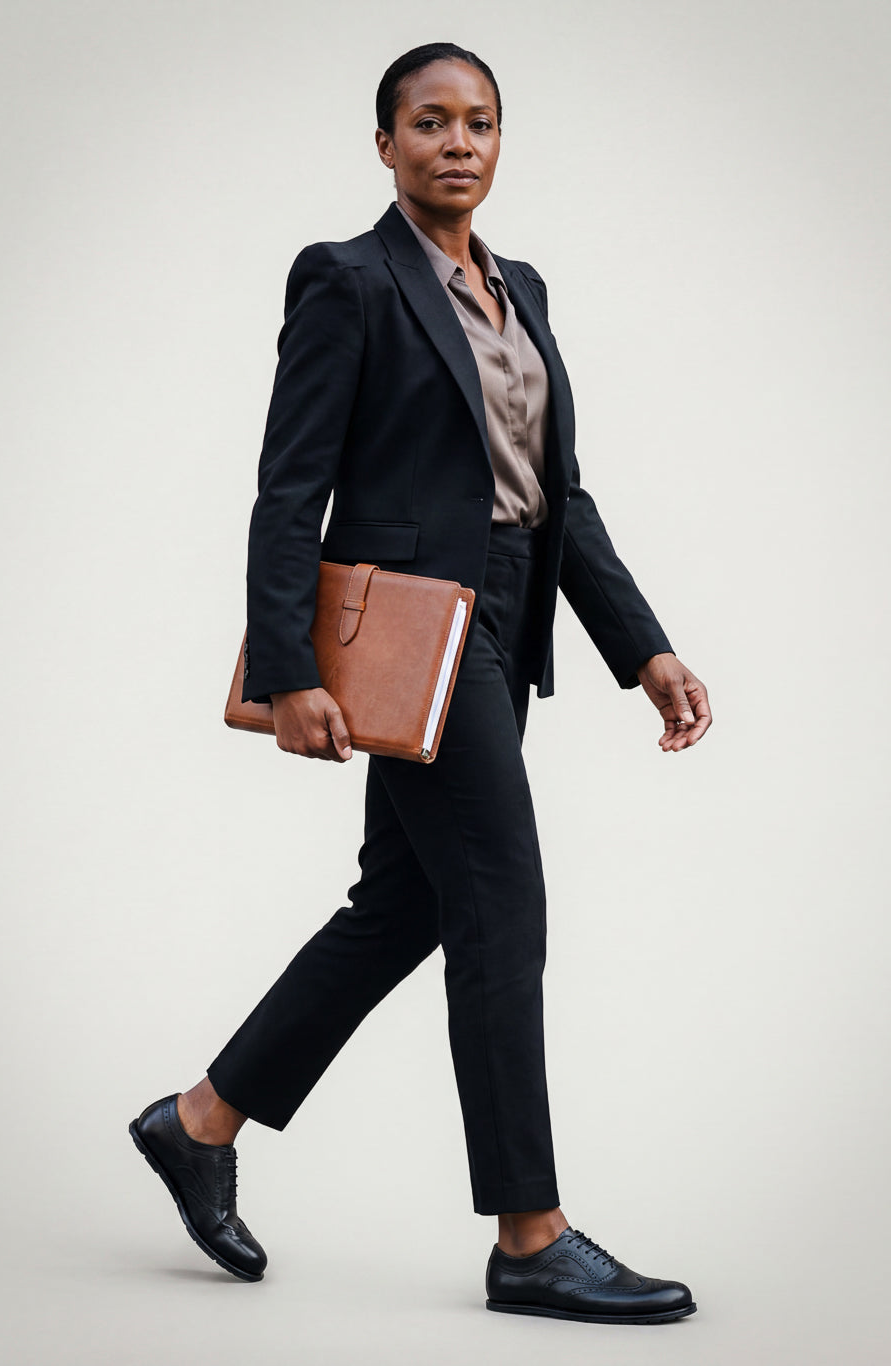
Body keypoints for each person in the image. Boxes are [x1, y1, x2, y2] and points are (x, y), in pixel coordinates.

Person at [129, 41, 712, 1326]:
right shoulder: (345, 280)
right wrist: (287, 669)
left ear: (499, 144)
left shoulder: (525, 292)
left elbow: (558, 497)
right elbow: (290, 488)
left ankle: (199, 1119)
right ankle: (528, 1234)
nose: (457, 142)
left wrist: (643, 647)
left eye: (479, 122)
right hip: (409, 631)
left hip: (506, 613)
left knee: (401, 907)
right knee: (500, 899)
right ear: (384, 144)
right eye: (429, 122)